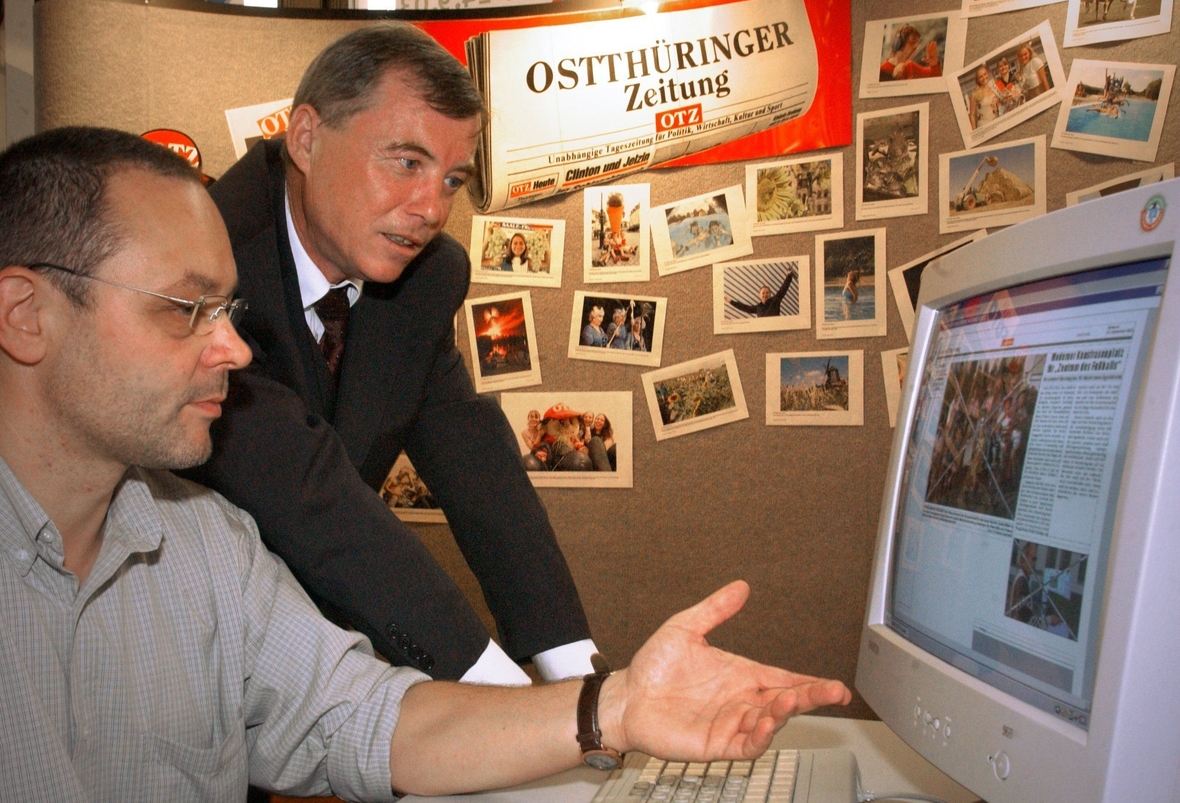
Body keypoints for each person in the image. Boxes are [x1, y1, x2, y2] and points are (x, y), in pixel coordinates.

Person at [0, 126, 852, 801]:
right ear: (26, 314)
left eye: (226, 309)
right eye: (186, 309)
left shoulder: (207, 549)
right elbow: (316, 497)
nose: (230, 345)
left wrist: (610, 705)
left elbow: (367, 717)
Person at [185, 23, 599, 685]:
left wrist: (576, 672)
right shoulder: (205, 262)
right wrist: (510, 699)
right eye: (406, 163)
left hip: (310, 650)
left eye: (452, 179)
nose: (431, 208)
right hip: (175, 642)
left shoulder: (425, 277)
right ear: (306, 138)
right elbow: (305, 489)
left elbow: (477, 466)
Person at [726, 269, 796, 318]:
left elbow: (783, 289)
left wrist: (789, 275)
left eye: (767, 293)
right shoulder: (757, 308)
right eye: (763, 293)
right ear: (760, 295)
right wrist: (731, 302)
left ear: (770, 295)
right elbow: (744, 307)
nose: (765, 294)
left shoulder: (775, 301)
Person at [968, 65, 1001, 130]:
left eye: (985, 74)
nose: (984, 77)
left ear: (987, 74)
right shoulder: (975, 94)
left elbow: (999, 106)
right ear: (977, 80)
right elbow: (972, 115)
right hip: (983, 126)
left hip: (996, 121)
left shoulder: (994, 89)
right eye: (980, 77)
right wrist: (975, 132)